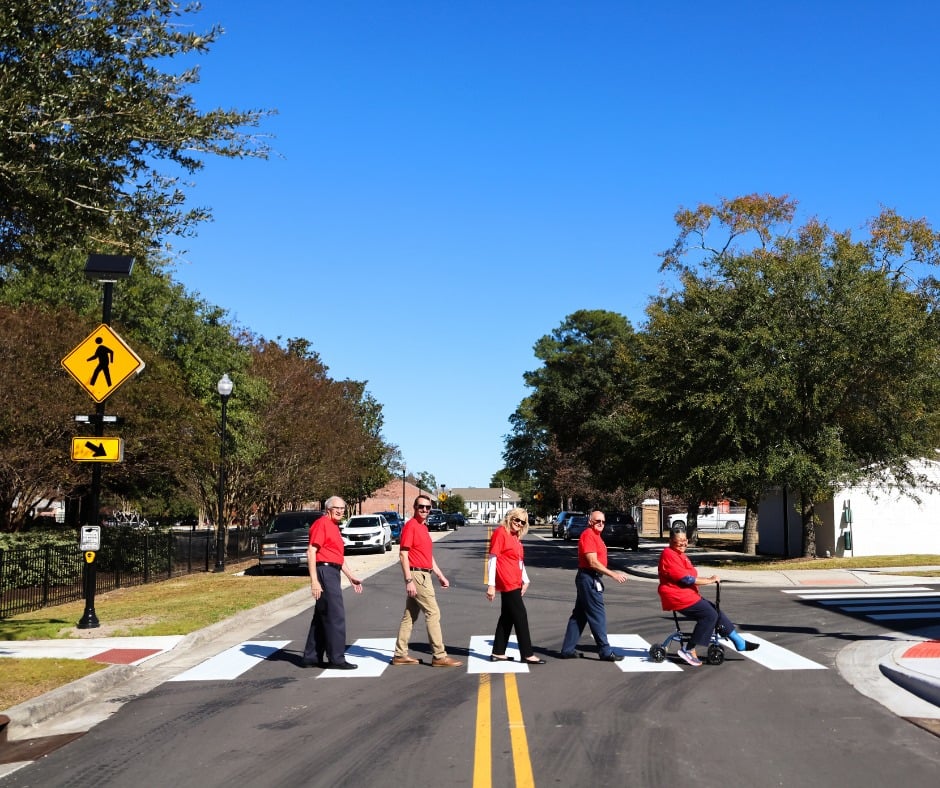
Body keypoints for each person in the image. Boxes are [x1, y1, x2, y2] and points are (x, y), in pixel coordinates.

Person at [657, 530, 759, 667]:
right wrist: (709, 580)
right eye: (678, 541)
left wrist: (707, 581)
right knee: (709, 615)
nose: (682, 543)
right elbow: (686, 579)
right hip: (677, 596)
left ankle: (739, 642)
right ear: (670, 541)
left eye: (684, 540)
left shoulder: (680, 554)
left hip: (687, 595)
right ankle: (688, 649)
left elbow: (689, 577)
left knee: (715, 611)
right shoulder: (669, 554)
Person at [391, 494, 463, 667]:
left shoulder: (423, 527)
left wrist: (440, 575)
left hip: (424, 573)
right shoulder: (411, 526)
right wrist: (408, 580)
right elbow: (403, 554)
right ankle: (439, 656)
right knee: (433, 613)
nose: (424, 510)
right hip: (417, 576)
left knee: (410, 615)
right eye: (421, 507)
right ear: (414, 508)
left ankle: (400, 654)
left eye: (427, 507)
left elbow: (427, 556)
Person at [300, 496, 363, 670]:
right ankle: (336, 658)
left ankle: (311, 657)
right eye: (337, 508)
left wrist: (351, 577)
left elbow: (338, 557)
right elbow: (311, 552)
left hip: (332, 571)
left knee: (322, 616)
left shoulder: (334, 527)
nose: (341, 511)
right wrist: (314, 581)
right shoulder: (322, 524)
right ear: (328, 508)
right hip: (324, 572)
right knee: (336, 616)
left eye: (343, 508)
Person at [560, 510, 627, 661]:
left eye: (603, 521)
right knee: (598, 615)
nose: (601, 524)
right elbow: (592, 562)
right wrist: (613, 574)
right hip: (588, 578)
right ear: (590, 522)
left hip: (590, 578)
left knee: (579, 616)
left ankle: (567, 649)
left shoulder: (596, 536)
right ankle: (605, 651)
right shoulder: (588, 535)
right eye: (598, 521)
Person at [485, 508, 545, 664]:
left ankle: (498, 652)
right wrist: (491, 585)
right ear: (510, 518)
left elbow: (519, 561)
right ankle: (527, 654)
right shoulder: (500, 532)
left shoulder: (515, 537)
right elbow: (493, 558)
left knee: (507, 616)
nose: (519, 523)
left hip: (516, 580)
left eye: (522, 522)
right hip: (507, 581)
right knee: (520, 615)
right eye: (516, 520)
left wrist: (526, 579)